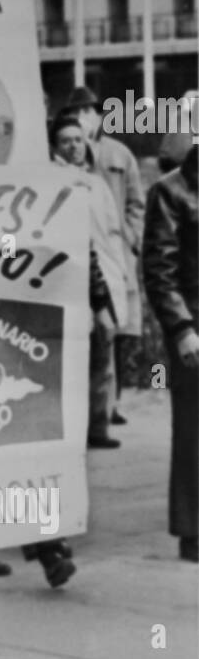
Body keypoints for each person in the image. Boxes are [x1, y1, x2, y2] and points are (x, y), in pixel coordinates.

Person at [63, 85, 145, 426]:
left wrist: (133, 239)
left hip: (118, 253)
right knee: (91, 331)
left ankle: (113, 405)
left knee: (121, 331)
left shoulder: (119, 154)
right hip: (81, 254)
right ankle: (92, 409)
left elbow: (136, 203)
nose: (86, 118)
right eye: (79, 111)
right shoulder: (67, 153)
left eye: (91, 110)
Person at [50, 113, 129, 448]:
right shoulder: (50, 181)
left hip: (105, 276)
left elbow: (112, 231)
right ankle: (70, 429)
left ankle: (98, 426)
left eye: (78, 139)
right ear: (55, 146)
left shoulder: (97, 184)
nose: (74, 146)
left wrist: (122, 270)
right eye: (66, 140)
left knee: (103, 353)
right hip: (67, 279)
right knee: (72, 358)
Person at [142, 143, 198, 562]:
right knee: (193, 431)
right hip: (195, 325)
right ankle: (193, 529)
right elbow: (159, 269)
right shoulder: (171, 191)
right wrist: (181, 330)